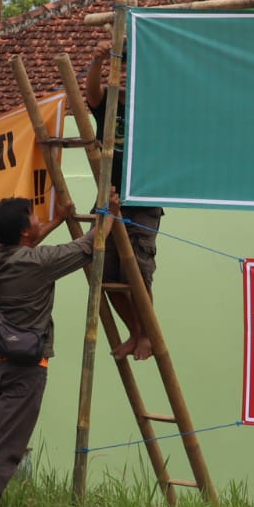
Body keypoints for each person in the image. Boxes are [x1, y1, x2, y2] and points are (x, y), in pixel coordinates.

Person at [0, 195, 107, 507]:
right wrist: (109, 212)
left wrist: (55, 221)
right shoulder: (40, 262)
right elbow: (89, 244)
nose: (40, 219)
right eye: (34, 217)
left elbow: (27, 245)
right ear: (25, 231)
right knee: (7, 448)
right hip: (25, 367)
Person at [84, 40, 165, 361]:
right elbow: (91, 94)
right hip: (110, 196)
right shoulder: (111, 102)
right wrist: (97, 60)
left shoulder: (153, 105)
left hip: (143, 199)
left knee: (138, 273)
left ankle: (148, 335)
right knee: (104, 272)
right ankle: (135, 331)